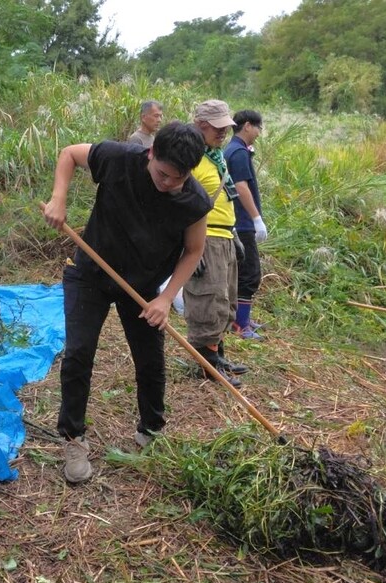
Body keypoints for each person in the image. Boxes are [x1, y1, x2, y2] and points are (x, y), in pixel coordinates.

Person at [42, 121, 211, 483]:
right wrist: (59, 198)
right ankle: (74, 438)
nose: (167, 184)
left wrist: (166, 298)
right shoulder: (119, 158)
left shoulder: (194, 200)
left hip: (145, 285)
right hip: (90, 273)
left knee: (150, 360)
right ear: (151, 153)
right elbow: (70, 154)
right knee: (78, 353)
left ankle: (151, 430)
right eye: (162, 174)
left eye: (177, 179)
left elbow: (194, 250)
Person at [183, 99, 248, 387]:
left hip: (224, 235)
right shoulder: (191, 158)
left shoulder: (214, 156)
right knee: (208, 300)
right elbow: (180, 204)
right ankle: (206, 364)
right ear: (200, 125)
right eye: (217, 127)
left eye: (226, 127)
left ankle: (217, 354)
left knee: (224, 300)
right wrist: (187, 252)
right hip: (205, 238)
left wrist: (234, 235)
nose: (223, 132)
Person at [225, 110, 268, 340]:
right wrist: (256, 219)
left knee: (241, 272)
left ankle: (241, 318)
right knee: (249, 273)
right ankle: (240, 325)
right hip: (242, 223)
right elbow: (241, 187)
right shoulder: (238, 152)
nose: (259, 133)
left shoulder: (233, 150)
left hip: (237, 221)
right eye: (259, 128)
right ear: (248, 126)